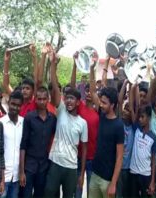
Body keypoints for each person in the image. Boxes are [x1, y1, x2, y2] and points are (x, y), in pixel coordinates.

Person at [45, 52, 88, 198]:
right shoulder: (61, 109)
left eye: (72, 98)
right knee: (49, 194)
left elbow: (84, 151)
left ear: (78, 102)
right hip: (55, 163)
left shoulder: (83, 123)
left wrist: (81, 174)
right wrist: (52, 64)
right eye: (67, 98)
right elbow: (55, 86)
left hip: (71, 168)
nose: (68, 101)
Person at [88, 56, 124, 198]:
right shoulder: (101, 115)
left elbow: (120, 157)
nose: (101, 105)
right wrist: (91, 68)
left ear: (113, 105)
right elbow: (92, 92)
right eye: (100, 102)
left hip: (108, 180)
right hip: (95, 175)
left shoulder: (118, 126)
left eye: (104, 103)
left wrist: (113, 183)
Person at [71, 52, 99, 198]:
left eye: (91, 91)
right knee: (77, 190)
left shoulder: (98, 111)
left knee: (91, 192)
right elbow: (72, 88)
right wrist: (75, 64)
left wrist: (93, 67)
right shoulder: (79, 106)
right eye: (87, 90)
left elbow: (94, 90)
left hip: (92, 158)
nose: (89, 93)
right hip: (78, 156)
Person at [19, 86, 57, 198]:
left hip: (44, 165)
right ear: (35, 99)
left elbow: (56, 139)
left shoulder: (53, 119)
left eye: (44, 99)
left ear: (48, 99)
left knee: (40, 194)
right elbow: (23, 144)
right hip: (29, 165)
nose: (41, 101)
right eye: (39, 99)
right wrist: (21, 171)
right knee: (25, 195)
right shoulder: (29, 118)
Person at [0, 91, 24, 198]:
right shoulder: (0, 123)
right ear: (8, 103)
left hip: (16, 177)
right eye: (13, 104)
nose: (15, 108)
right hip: (2, 177)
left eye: (18, 105)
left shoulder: (24, 123)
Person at [130, 105, 156, 198]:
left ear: (149, 118)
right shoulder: (136, 129)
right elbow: (131, 105)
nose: (140, 119)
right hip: (133, 172)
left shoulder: (153, 137)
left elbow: (153, 160)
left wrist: (152, 181)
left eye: (142, 117)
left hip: (146, 175)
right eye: (139, 117)